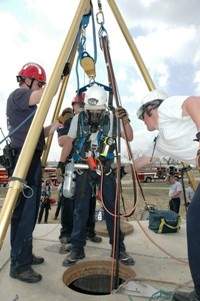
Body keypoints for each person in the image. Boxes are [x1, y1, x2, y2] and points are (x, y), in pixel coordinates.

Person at [124, 89, 200, 301]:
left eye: (141, 116)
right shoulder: (161, 141)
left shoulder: (166, 109)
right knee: (196, 220)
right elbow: (144, 160)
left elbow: (195, 102)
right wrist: (120, 170)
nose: (142, 121)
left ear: (150, 109)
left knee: (196, 220)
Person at [6, 62, 71, 283]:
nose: (40, 86)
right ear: (29, 80)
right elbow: (43, 96)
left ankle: (23, 254)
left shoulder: (27, 105)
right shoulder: (19, 95)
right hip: (24, 159)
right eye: (39, 83)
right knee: (24, 215)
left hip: (28, 157)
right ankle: (19, 266)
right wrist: (59, 78)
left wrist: (53, 127)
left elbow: (35, 133)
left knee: (25, 213)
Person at [57, 84, 135, 267]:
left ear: (103, 108)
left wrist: (126, 120)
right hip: (84, 166)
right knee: (80, 210)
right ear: (86, 107)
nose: (94, 115)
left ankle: (118, 249)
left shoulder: (112, 119)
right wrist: (61, 163)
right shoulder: (78, 119)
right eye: (91, 111)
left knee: (111, 209)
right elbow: (68, 141)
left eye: (97, 111)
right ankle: (77, 249)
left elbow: (129, 137)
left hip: (105, 167)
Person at [57, 93, 102, 247]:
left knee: (89, 200)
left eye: (83, 105)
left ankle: (89, 230)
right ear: (74, 106)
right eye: (78, 105)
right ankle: (67, 233)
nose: (81, 108)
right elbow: (62, 141)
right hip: (72, 164)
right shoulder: (70, 121)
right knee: (69, 199)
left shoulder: (94, 120)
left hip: (90, 164)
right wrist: (79, 133)